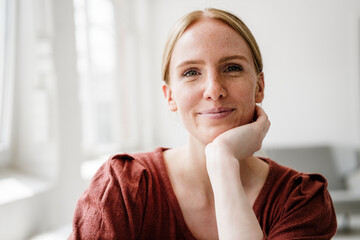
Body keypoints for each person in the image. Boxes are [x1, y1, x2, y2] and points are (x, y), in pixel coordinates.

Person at [68, 8, 337, 239]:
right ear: (170, 96)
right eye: (191, 72)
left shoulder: (301, 200)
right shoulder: (123, 189)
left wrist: (222, 162)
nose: (214, 89)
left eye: (232, 68)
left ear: (259, 86)